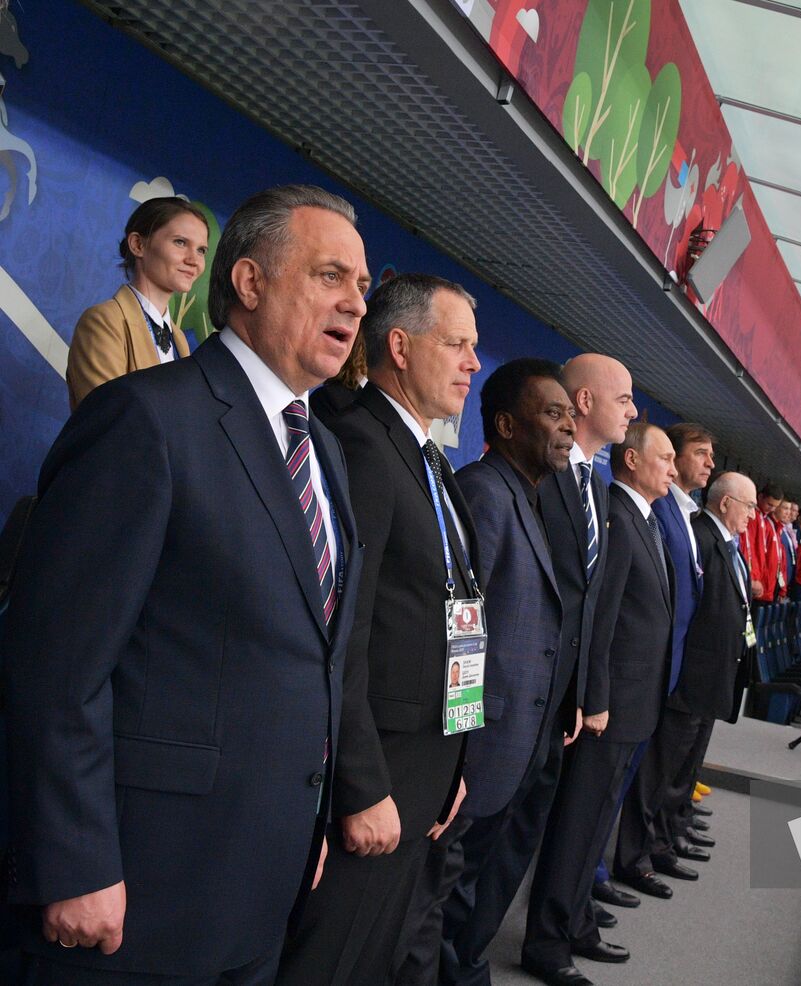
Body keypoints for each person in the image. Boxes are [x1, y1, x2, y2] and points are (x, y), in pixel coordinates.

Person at [4, 184, 369, 983]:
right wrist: (75, 863)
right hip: (134, 895)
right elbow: (55, 665)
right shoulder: (145, 419)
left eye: (363, 287)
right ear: (248, 283)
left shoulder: (324, 453)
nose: (354, 304)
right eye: (331, 276)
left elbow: (314, 655)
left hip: (260, 885)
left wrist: (302, 829)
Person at [275, 273, 482, 985]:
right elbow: (347, 632)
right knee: (332, 959)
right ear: (399, 345)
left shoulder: (430, 458)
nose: (472, 364)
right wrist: (360, 785)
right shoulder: (361, 444)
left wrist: (456, 757)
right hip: (377, 770)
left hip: (426, 762)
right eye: (456, 344)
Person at [406, 359, 578, 986]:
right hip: (476, 752)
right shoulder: (482, 491)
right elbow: (461, 632)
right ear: (506, 424)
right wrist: (462, 747)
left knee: (462, 902)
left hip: (513, 748)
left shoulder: (526, 494)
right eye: (552, 414)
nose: (567, 427)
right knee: (436, 910)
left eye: (569, 414)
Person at [521, 423, 677, 986]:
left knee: (595, 827)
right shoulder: (615, 511)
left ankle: (577, 922)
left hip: (635, 703)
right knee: (576, 827)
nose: (675, 470)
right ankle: (547, 941)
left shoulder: (644, 519)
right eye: (665, 458)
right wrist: (595, 696)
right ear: (632, 459)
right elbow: (601, 618)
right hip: (609, 706)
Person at [614, 472, 755, 898]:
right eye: (747, 505)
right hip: (691, 678)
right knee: (659, 774)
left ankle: (668, 836)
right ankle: (641, 852)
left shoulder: (728, 545)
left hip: (712, 679)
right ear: (726, 503)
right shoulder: (705, 539)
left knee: (682, 771)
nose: (752, 514)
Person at [533, 354, 633, 923]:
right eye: (623, 399)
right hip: (522, 699)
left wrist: (583, 693)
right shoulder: (540, 476)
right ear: (586, 402)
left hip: (562, 703)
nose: (633, 411)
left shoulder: (595, 488)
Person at [610, 423, 715, 909]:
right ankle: (622, 861)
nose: (703, 464)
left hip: (663, 674)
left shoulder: (677, 514)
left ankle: (628, 859)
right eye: (695, 454)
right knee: (618, 789)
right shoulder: (656, 512)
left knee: (638, 781)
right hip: (632, 678)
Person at [66, 197, 209, 409]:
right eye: (180, 242)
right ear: (138, 244)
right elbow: (108, 420)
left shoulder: (179, 339)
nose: (194, 261)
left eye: (201, 250)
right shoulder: (103, 322)